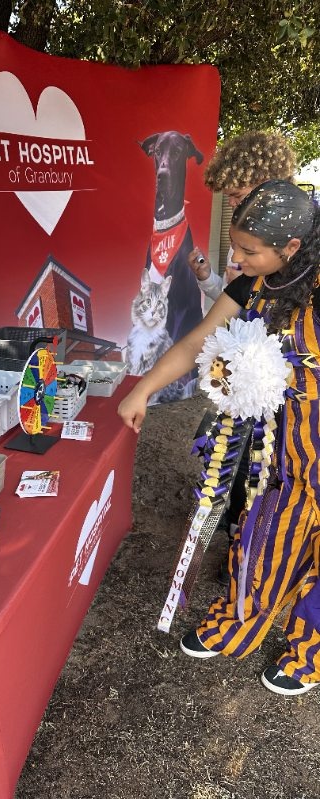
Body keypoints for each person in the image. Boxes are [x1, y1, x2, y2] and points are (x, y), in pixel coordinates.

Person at [118, 180, 320, 696]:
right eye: (236, 244)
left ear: (291, 247)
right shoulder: (251, 287)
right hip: (278, 448)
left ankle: (310, 649)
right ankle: (240, 622)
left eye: (250, 250)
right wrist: (144, 389)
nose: (237, 257)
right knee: (265, 530)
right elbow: (194, 344)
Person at [188, 132, 298, 585]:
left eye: (237, 196)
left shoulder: (294, 257)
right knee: (237, 462)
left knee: (274, 475)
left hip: (293, 403)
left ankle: (262, 559)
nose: (235, 209)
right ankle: (240, 542)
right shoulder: (252, 256)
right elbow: (230, 306)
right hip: (250, 392)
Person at [189, 131, 297, 301]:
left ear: (267, 185)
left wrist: (249, 290)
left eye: (237, 196)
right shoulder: (240, 237)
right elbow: (227, 302)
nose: (231, 203)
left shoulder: (300, 244)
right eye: (228, 197)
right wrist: (206, 277)